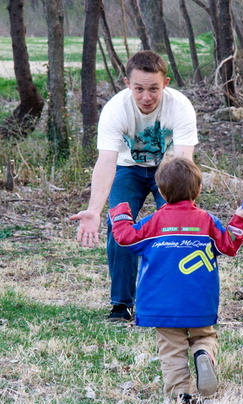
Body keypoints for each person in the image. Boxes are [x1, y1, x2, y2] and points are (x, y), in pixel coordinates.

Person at [108, 158, 243, 403]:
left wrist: (120, 212)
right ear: (198, 190)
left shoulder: (153, 223)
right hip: (199, 301)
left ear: (162, 192)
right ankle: (203, 353)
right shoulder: (206, 221)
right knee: (204, 335)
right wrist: (239, 221)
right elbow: (228, 246)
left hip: (161, 303)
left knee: (171, 350)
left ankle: (180, 394)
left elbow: (125, 239)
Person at [69, 51, 199, 322]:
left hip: (169, 168)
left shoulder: (181, 106)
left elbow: (185, 160)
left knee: (175, 227)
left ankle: (173, 300)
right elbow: (106, 162)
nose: (146, 97)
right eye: (139, 89)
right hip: (128, 169)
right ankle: (121, 304)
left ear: (165, 83)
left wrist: (184, 208)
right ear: (127, 84)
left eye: (153, 89)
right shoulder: (115, 110)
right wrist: (94, 209)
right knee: (119, 225)